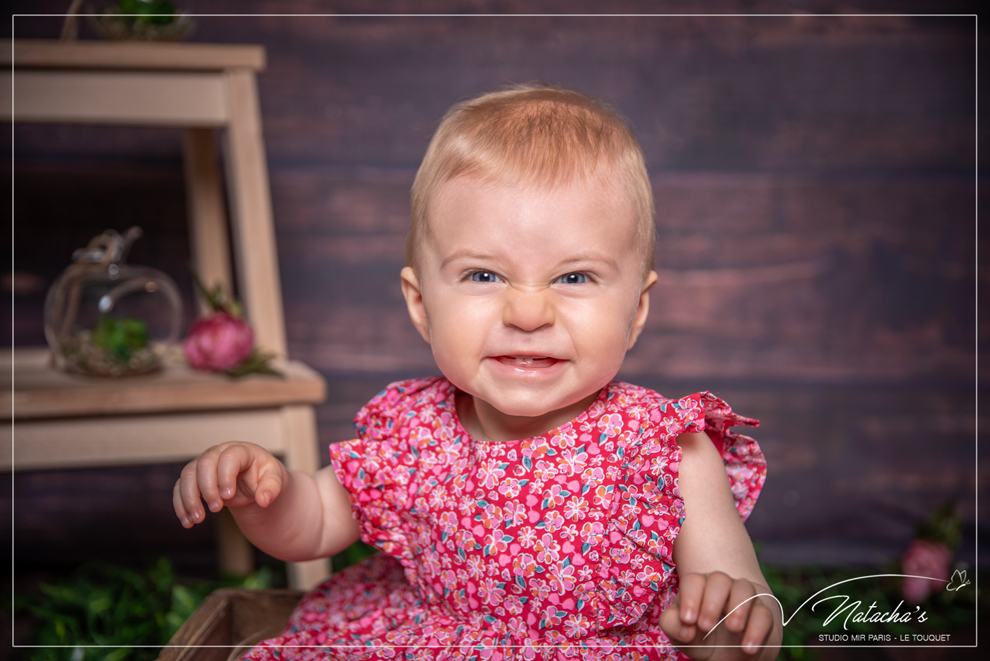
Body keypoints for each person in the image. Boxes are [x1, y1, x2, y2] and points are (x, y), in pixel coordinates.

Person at [174, 84, 781, 660]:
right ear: (421, 305)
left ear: (636, 310)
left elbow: (745, 606)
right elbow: (313, 524)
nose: (526, 312)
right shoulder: (412, 431)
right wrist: (262, 494)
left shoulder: (670, 450)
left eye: (574, 277)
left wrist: (722, 625)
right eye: (484, 275)